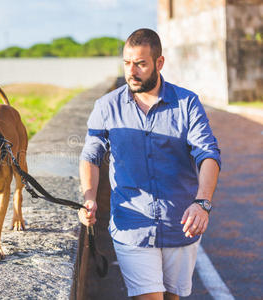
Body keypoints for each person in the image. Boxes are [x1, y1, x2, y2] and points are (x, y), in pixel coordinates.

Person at [78, 28, 221, 300]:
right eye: (127, 63)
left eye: (141, 63)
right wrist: (89, 197)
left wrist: (203, 202)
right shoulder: (106, 106)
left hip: (180, 222)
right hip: (131, 223)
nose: (131, 71)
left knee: (172, 297)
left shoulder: (187, 103)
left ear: (159, 63)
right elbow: (91, 155)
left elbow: (209, 153)